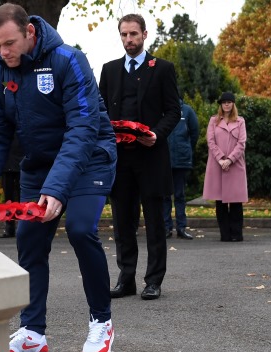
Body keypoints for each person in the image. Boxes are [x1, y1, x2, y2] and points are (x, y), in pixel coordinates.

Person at [0, 4, 117, 352]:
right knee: (29, 238)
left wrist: (57, 190)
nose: (4, 53)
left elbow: (82, 129)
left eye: (10, 43)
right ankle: (33, 334)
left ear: (30, 32)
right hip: (40, 165)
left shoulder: (69, 60)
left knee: (80, 229)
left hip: (90, 155)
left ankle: (102, 321)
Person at [98, 14, 180, 301]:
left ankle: (154, 280)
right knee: (123, 222)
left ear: (145, 35)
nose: (129, 40)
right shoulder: (108, 71)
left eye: (134, 34)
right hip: (120, 159)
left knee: (156, 222)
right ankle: (126, 279)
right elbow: (101, 112)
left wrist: (156, 134)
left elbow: (173, 111)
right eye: (124, 34)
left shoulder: (163, 69)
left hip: (152, 156)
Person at [203, 92, 248, 242]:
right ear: (221, 105)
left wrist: (230, 159)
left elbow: (241, 143)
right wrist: (221, 159)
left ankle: (236, 234)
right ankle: (225, 234)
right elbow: (210, 142)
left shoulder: (240, 121)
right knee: (220, 202)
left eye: (229, 102)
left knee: (236, 202)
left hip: (235, 166)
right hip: (217, 165)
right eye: (224, 102)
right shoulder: (213, 121)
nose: (226, 104)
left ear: (233, 104)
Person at [164, 98, 199, 240]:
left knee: (180, 195)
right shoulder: (161, 110)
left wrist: (186, 149)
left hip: (181, 160)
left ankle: (181, 227)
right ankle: (166, 227)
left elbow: (194, 133)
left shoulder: (187, 111)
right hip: (164, 160)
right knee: (165, 196)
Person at [0, 138, 23, 238]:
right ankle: (10, 227)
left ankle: (21, 227)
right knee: (8, 198)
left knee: (21, 198)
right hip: (7, 165)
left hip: (20, 164)